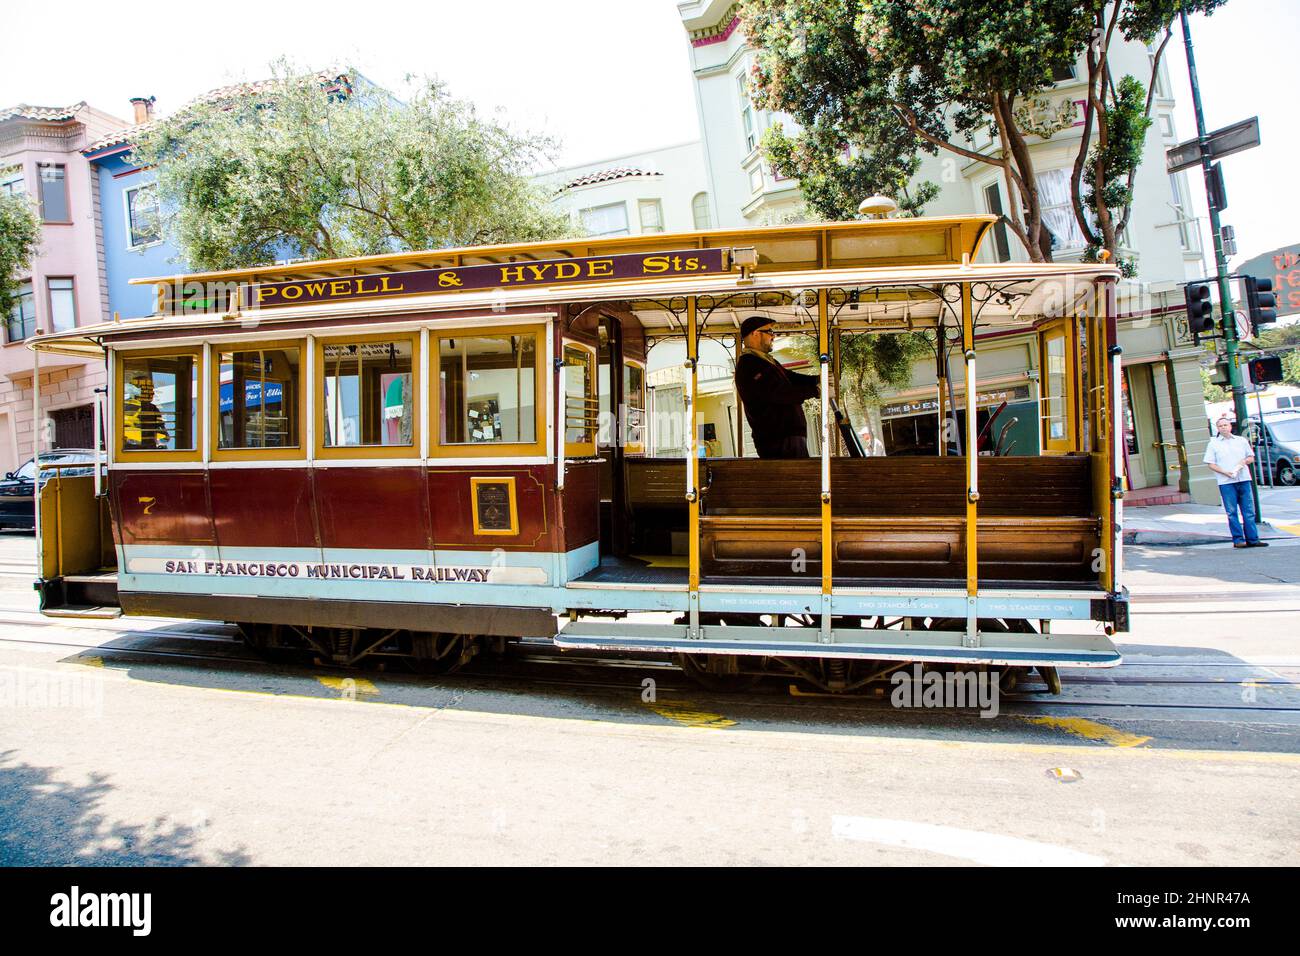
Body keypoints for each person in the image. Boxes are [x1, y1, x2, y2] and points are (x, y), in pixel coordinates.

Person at [734, 315, 820, 459]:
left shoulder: (765, 361)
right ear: (755, 333)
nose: (773, 336)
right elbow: (778, 393)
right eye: (769, 332)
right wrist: (816, 391)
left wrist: (818, 379)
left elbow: (791, 378)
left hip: (786, 436)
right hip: (777, 438)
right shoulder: (750, 365)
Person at [1203, 416, 1268, 549]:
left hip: (1243, 478)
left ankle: (1253, 539)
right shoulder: (1213, 444)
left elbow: (1250, 457)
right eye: (1220, 426)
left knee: (1249, 511)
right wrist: (1225, 472)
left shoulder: (1241, 441)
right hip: (1226, 482)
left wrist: (1243, 462)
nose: (1223, 428)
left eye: (1225, 425)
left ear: (1230, 426)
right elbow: (1210, 463)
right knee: (1231, 512)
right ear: (1218, 428)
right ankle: (1238, 539)